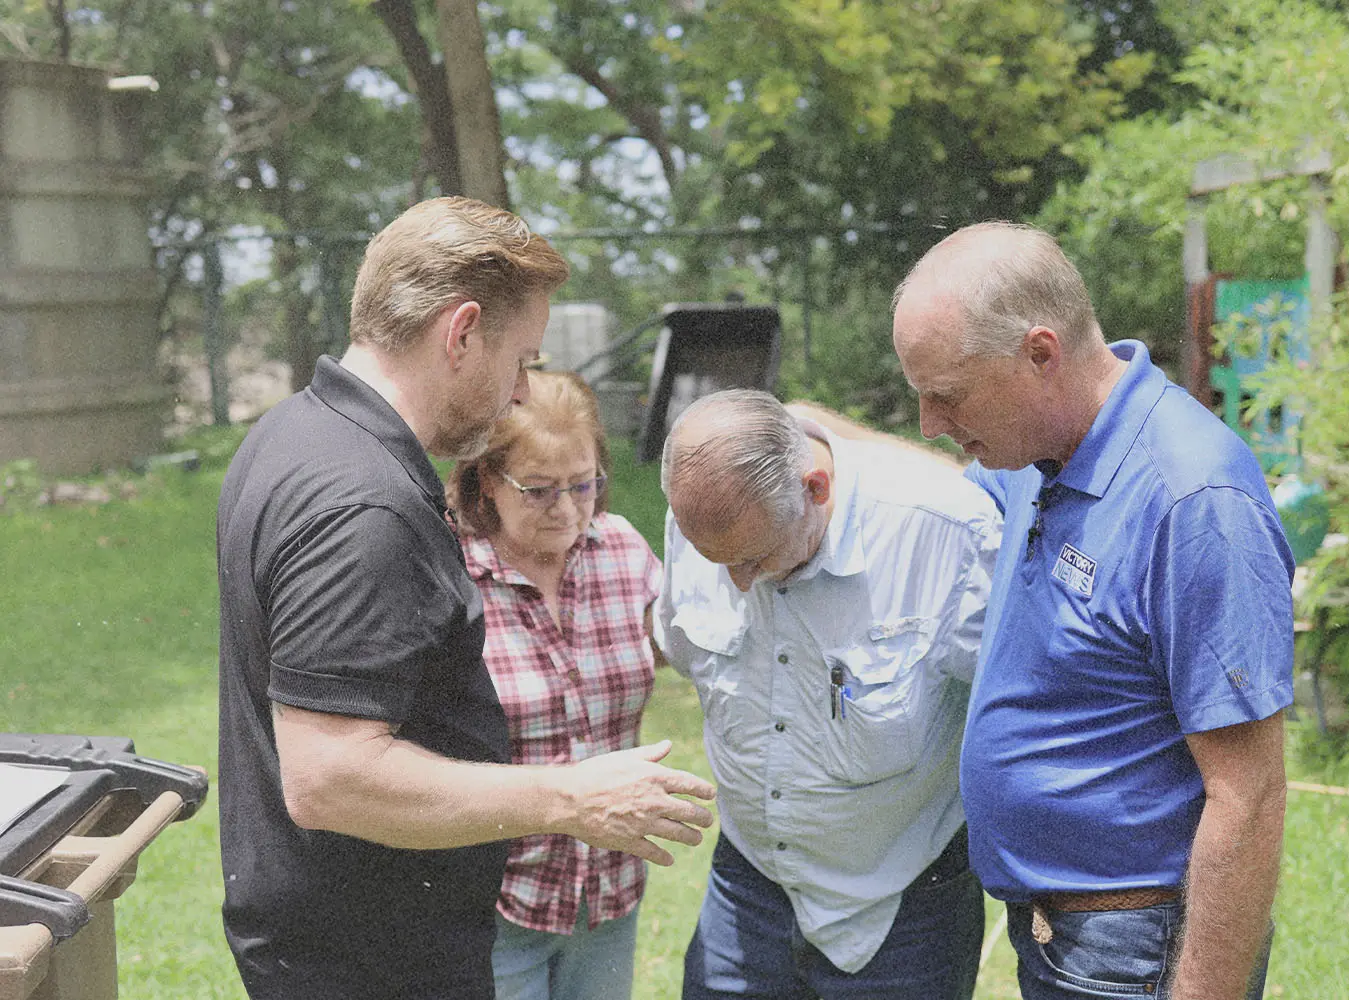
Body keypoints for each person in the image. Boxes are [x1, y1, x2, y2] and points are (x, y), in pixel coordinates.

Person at [216, 196, 715, 1000]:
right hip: (370, 962)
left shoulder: (293, 433)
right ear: (461, 332)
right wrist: (569, 796)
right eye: (520, 358)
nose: (522, 391)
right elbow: (330, 777)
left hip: (330, 938)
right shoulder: (365, 506)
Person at [891, 221, 1294, 1000]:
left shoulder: (1191, 500)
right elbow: (927, 487)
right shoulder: (1044, 455)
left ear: (1040, 354)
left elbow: (1249, 797)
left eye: (946, 396)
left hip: (1139, 949)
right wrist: (809, 437)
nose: (932, 425)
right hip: (1064, 937)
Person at [652, 389, 1000, 1000]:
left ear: (817, 489)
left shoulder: (945, 533)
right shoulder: (707, 514)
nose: (736, 581)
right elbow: (684, 650)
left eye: (755, 557)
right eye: (719, 561)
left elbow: (1020, 713)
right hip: (747, 886)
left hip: (904, 903)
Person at [445, 370, 660, 1000]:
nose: (567, 510)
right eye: (539, 490)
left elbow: (679, 645)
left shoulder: (620, 549)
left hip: (610, 888)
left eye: (584, 484)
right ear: (486, 479)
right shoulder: (449, 575)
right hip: (495, 899)